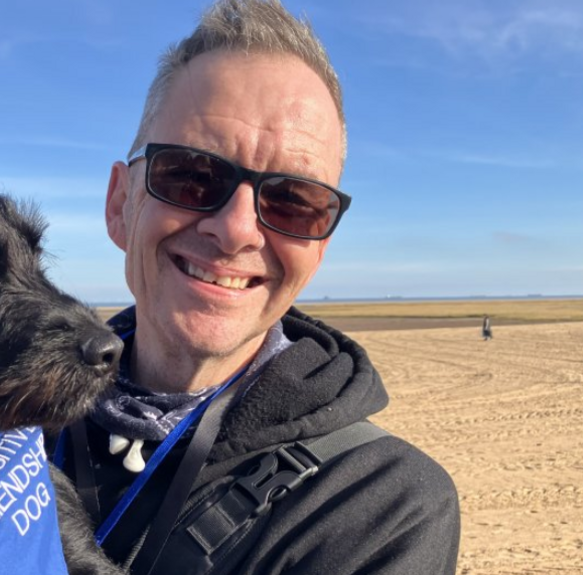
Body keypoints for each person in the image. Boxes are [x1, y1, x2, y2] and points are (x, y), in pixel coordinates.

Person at [53, 1, 461, 574]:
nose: (237, 230)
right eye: (192, 176)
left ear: (320, 247)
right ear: (121, 204)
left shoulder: (377, 504)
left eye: (294, 202)